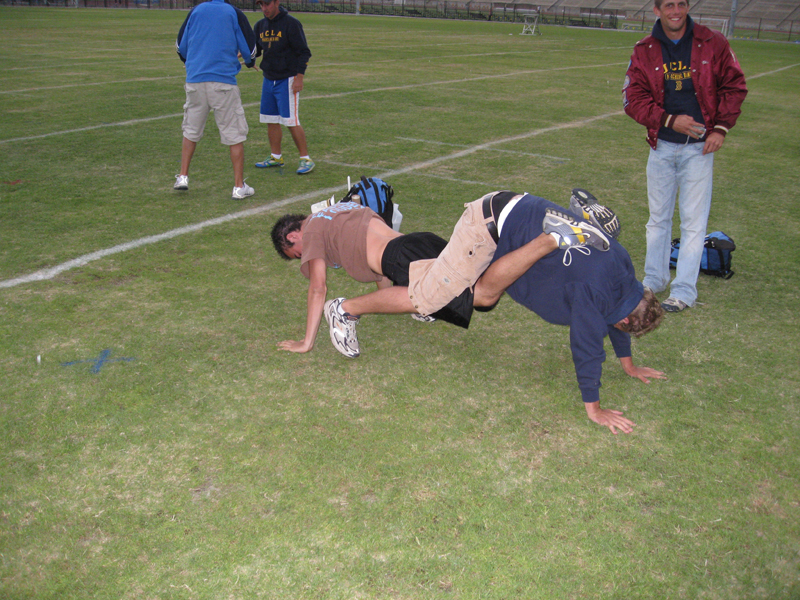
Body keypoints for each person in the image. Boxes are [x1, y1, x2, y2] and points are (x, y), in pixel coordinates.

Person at [272, 192, 663, 434]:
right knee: (430, 299)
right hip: (488, 227)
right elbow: (588, 347)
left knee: (480, 297)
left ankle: (555, 234)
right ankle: (345, 310)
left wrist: (628, 364)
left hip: (511, 212)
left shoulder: (623, 272)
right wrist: (593, 408)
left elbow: (617, 314)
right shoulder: (599, 299)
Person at [622, 0, 747, 312]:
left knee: (694, 223)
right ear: (657, 10)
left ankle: (684, 291)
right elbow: (632, 98)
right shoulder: (645, 49)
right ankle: (654, 279)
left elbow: (735, 85)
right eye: (668, 5)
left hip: (698, 149)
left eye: (680, 3)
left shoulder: (712, 42)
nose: (675, 10)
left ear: (687, 6)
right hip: (661, 146)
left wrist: (720, 128)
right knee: (657, 220)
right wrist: (668, 120)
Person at [175, 0, 258, 200]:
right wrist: (249, 62)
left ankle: (183, 177)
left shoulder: (196, 11)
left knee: (191, 130)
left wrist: (195, 62)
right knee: (234, 134)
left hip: (195, 80)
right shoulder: (233, 12)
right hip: (223, 83)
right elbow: (250, 48)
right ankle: (239, 186)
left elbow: (181, 47)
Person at [253, 0, 314, 175]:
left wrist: (299, 78)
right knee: (270, 119)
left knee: (291, 121)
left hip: (287, 79)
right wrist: (243, 53)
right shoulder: (260, 25)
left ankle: (305, 158)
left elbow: (304, 52)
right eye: (261, 5)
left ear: (276, 2)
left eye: (267, 4)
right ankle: (275, 156)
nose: (264, 9)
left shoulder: (291, 24)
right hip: (268, 79)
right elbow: (256, 49)